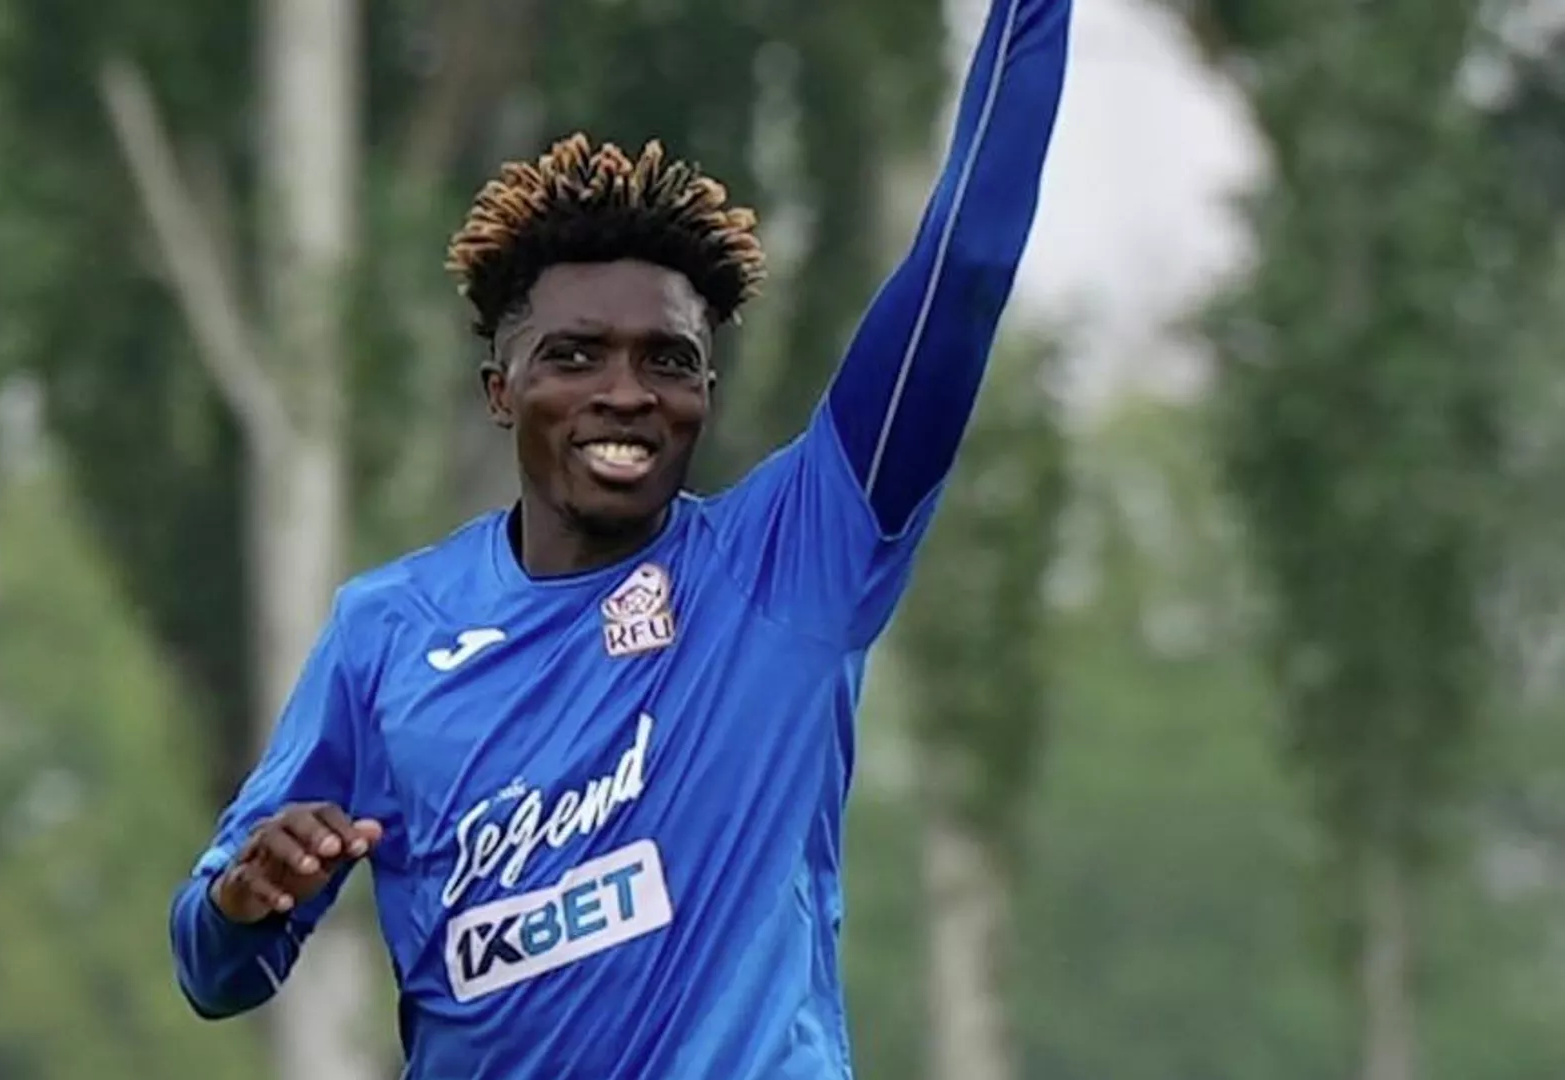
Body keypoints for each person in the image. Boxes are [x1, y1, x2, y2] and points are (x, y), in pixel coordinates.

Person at [170, 0, 1069, 1074]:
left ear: (706, 394)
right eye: (576, 356)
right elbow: (217, 972)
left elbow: (962, 270)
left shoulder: (792, 564)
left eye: (668, 361)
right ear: (501, 392)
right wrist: (242, 901)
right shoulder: (389, 632)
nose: (627, 393)